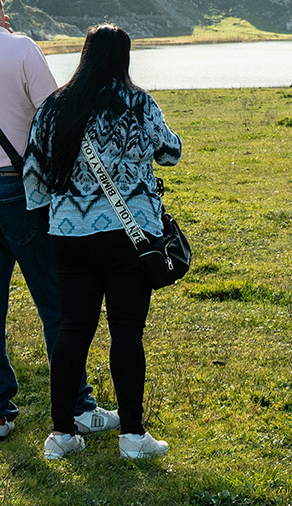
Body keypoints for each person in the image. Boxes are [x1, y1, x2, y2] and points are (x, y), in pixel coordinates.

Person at [0, 0, 108, 440]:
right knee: (55, 302)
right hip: (17, 189)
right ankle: (77, 404)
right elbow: (53, 116)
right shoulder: (22, 49)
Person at [27, 24, 181, 462]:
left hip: (69, 235)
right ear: (124, 58)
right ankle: (132, 436)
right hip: (129, 237)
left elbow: (34, 171)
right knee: (127, 334)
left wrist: (55, 217)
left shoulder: (54, 106)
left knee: (72, 331)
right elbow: (170, 152)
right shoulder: (138, 103)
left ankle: (61, 434)